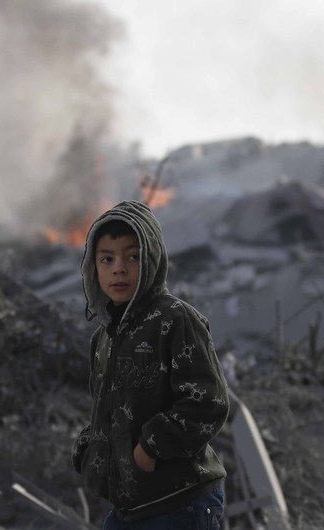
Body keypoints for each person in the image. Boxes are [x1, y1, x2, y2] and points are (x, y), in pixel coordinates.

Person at [71, 201, 230, 529]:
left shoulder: (175, 319)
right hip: (130, 507)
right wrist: (87, 451)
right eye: (107, 258)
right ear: (93, 267)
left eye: (133, 256)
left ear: (153, 260)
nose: (119, 268)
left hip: (180, 503)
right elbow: (106, 410)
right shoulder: (103, 338)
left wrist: (149, 449)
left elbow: (207, 403)